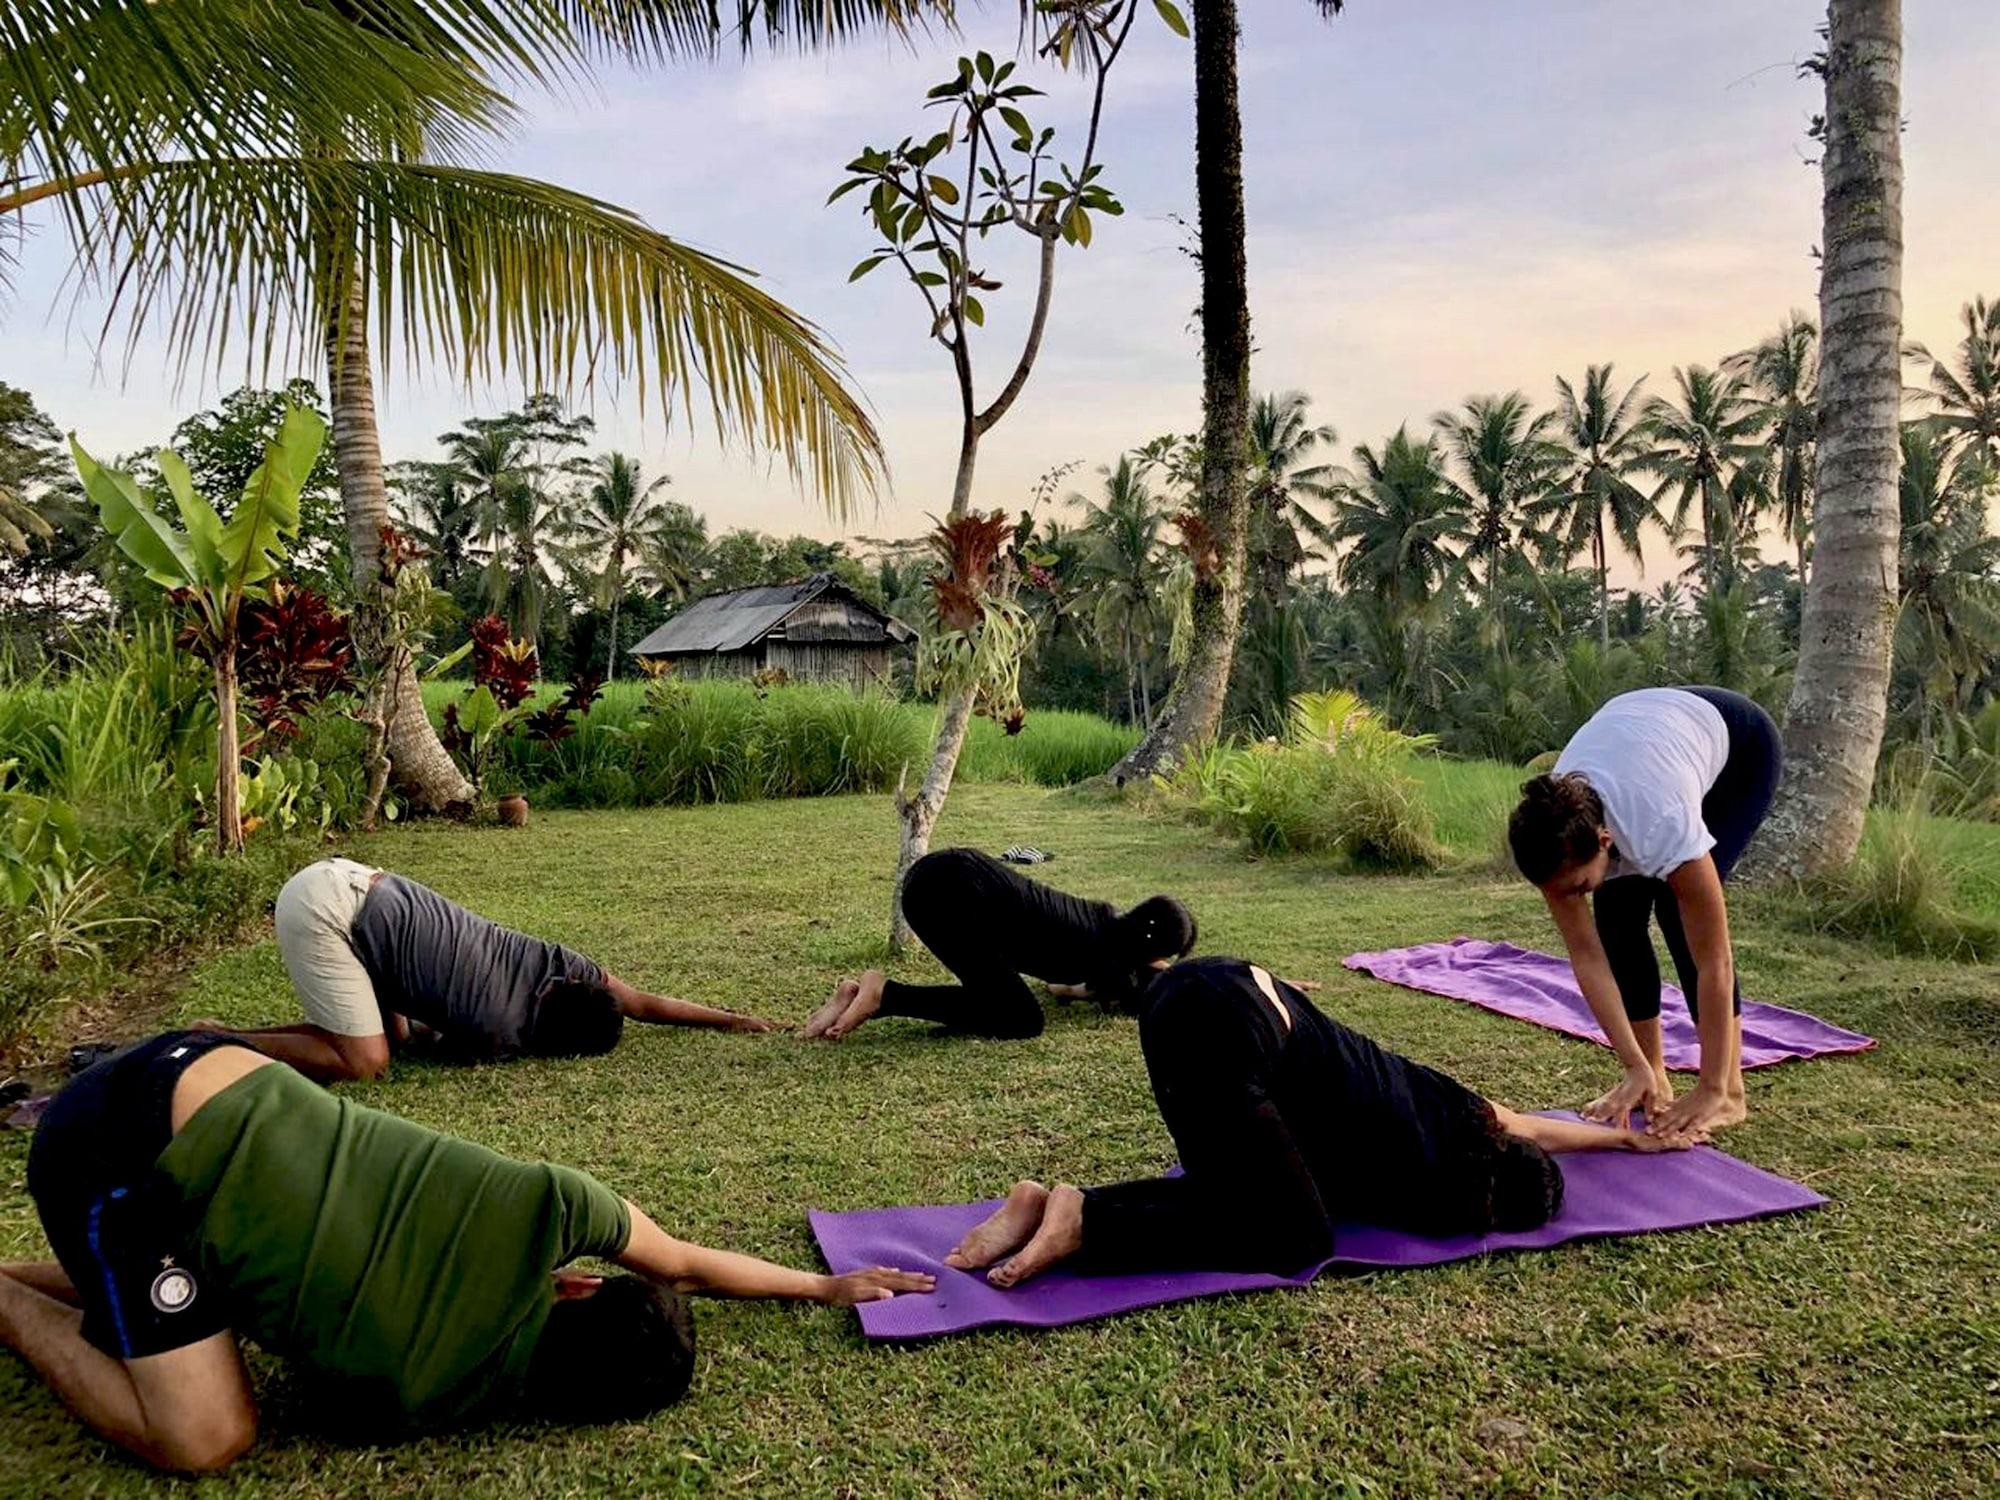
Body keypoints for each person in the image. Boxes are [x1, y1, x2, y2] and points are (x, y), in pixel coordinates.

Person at [0, 1032, 932, 1473]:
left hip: (214, 1070)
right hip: (111, 1148)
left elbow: (681, 1262)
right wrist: (817, 1284)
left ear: (574, 1288)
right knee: (209, 1438)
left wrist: (823, 1283)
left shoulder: (555, 1205)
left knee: (199, 1322)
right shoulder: (410, 1400)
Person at [943, 958, 1690, 1288]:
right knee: (1296, 1237)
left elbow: (1535, 1125)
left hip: (1215, 988)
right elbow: (1529, 1139)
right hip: (1226, 1031)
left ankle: (1047, 1204)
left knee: (1228, 1185)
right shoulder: (1425, 1182)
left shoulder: (1462, 1111)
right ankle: (1085, 1222)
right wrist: (1628, 1136)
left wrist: (1626, 1137)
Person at [205, 858, 780, 1082]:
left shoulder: (560, 963)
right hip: (327, 912)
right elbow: (440, 1039)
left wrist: (733, 1020)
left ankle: (235, 1036)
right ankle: (219, 1042)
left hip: (357, 881)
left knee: (395, 1035)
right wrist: (731, 1022)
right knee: (366, 1061)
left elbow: (645, 1003)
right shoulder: (501, 1030)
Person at [1507, 686, 1783, 1138]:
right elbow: (1588, 957)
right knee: (1616, 922)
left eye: (1577, 886)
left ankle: (1727, 1091)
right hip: (1644, 739)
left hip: (1739, 749)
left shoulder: (1659, 821)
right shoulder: (1551, 836)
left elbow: (1716, 957)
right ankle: (1652, 1078)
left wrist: (1710, 1087)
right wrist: (1635, 1064)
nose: (1568, 898)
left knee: (1681, 918)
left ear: (1604, 841)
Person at [803, 847, 1198, 1041]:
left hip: (941, 877)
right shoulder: (1103, 953)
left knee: (1002, 999)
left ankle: (860, 994)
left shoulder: (1102, 924)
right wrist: (1162, 980)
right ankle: (882, 995)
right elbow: (1068, 987)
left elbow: (1061, 987)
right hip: (947, 895)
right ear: (1154, 950)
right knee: (1022, 1019)